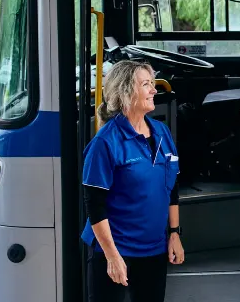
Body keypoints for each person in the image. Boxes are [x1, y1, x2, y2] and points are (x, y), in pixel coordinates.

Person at [80, 60, 184, 302]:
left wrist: (175, 234)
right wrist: (112, 256)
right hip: (116, 249)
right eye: (146, 84)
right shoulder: (105, 143)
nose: (154, 90)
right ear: (125, 92)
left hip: (154, 250)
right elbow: (94, 205)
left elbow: (171, 187)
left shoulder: (161, 132)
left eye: (152, 83)